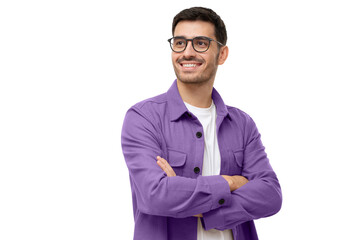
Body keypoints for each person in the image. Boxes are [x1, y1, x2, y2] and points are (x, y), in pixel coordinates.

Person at [121, 7, 282, 240]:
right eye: (179, 43)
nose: (187, 52)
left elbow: (270, 196)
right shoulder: (143, 118)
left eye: (201, 43)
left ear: (222, 54)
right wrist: (231, 182)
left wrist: (191, 201)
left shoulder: (242, 124)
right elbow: (155, 195)